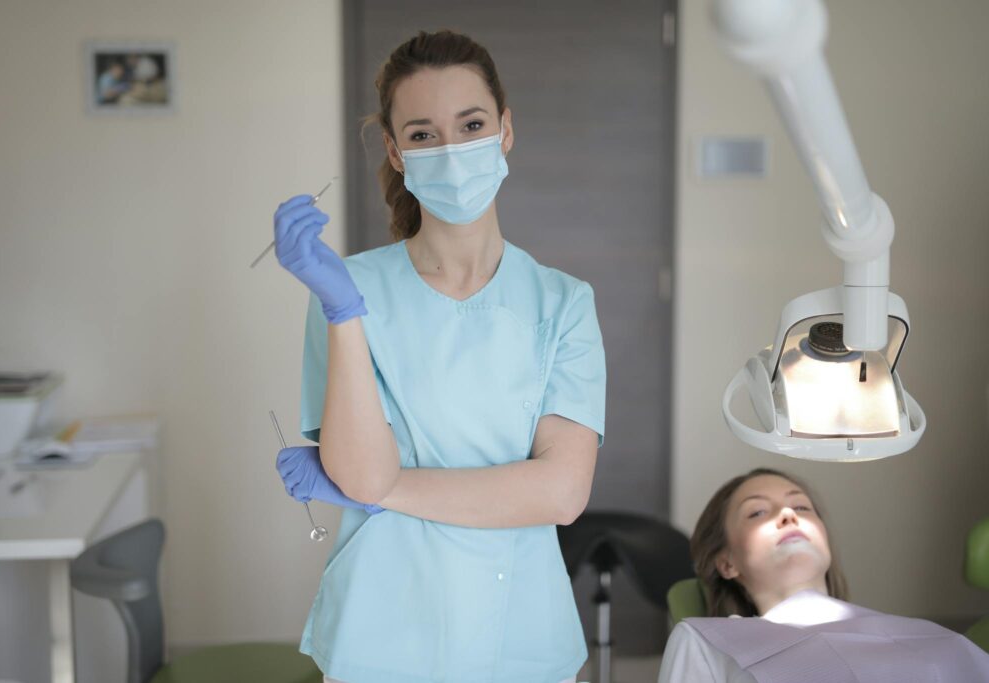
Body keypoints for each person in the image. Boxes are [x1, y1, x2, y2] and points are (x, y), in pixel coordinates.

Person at [272, 30, 607, 683]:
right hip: (382, 628)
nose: (452, 151)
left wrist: (385, 490)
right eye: (424, 135)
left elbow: (562, 492)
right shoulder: (345, 293)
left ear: (505, 130)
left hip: (520, 629)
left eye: (472, 124)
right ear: (397, 153)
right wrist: (345, 313)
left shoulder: (562, 302)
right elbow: (364, 479)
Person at [659, 468, 989, 682]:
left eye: (802, 508)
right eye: (758, 512)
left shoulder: (922, 635)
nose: (788, 514)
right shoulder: (707, 642)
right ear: (727, 562)